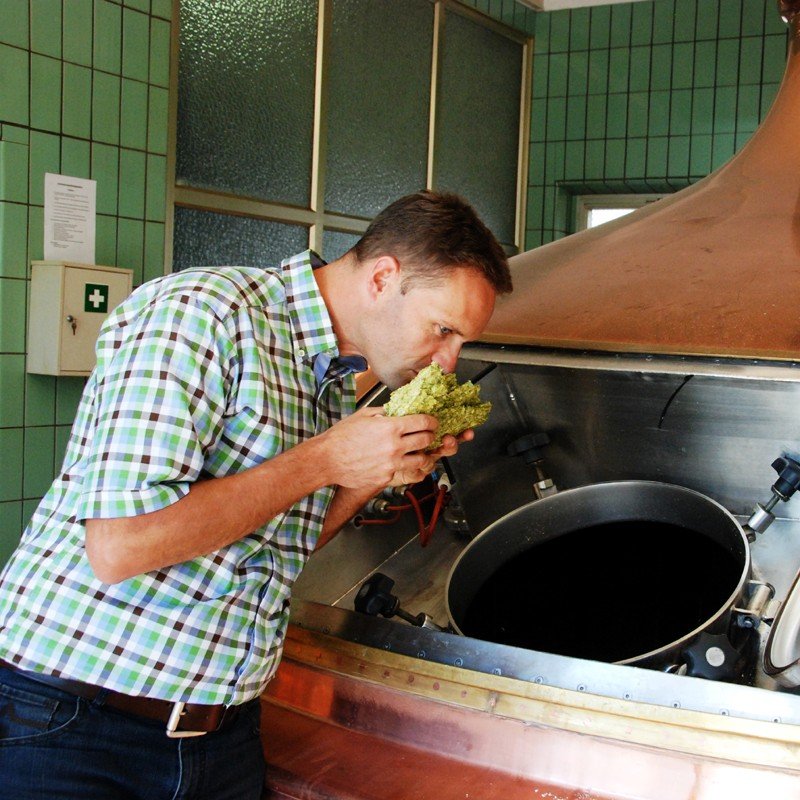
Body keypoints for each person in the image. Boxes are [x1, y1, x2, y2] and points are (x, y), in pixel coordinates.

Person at [0, 190, 512, 799]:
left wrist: (374, 472)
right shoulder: (203, 314)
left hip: (221, 735)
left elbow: (278, 539)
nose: (447, 362)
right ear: (382, 277)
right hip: (73, 727)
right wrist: (325, 457)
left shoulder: (329, 375)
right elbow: (120, 546)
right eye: (443, 330)